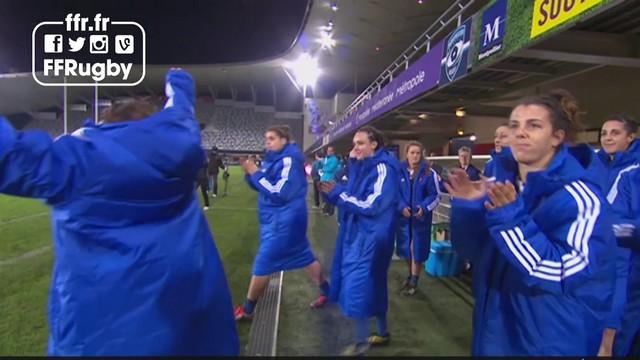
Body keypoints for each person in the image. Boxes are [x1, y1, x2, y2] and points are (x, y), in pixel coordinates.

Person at [0, 69, 239, 355]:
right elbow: (181, 112)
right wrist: (179, 81)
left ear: (105, 125)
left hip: (91, 336)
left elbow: (8, 155)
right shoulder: (179, 150)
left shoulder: (74, 162)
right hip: (178, 330)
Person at [445, 89, 615, 356]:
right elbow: (473, 253)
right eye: (515, 126)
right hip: (496, 327)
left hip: (549, 339)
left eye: (533, 125)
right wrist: (468, 207)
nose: (520, 133)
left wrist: (511, 220)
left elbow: (561, 272)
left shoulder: (581, 198)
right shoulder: (503, 185)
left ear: (557, 137)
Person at [234, 125, 330, 320]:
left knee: (263, 263)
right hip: (279, 219)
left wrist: (256, 173)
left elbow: (280, 192)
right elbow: (263, 187)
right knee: (305, 257)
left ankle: (247, 309)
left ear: (284, 140)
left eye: (272, 138)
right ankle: (329, 292)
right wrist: (250, 174)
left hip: (284, 221)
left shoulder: (289, 160)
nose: (267, 142)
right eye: (266, 138)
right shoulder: (275, 159)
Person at [319, 126, 400, 356]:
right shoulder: (364, 165)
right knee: (373, 284)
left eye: (360, 143)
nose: (355, 148)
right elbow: (353, 191)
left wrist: (337, 195)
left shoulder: (384, 168)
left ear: (374, 144)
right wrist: (337, 187)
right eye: (354, 144)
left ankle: (361, 342)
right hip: (360, 233)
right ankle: (382, 333)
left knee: (360, 285)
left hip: (372, 237)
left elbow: (371, 204)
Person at [594, 114, 640, 356]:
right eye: (604, 133)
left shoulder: (636, 171)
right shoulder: (595, 164)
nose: (608, 137)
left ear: (631, 137)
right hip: (597, 262)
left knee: (614, 338)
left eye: (615, 132)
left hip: (627, 267)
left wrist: (611, 230)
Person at [396, 141, 441, 296]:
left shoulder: (429, 173)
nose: (415, 156)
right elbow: (394, 194)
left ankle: (414, 281)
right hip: (403, 220)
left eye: (418, 153)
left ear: (422, 155)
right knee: (406, 250)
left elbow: (435, 195)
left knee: (416, 250)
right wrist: (401, 207)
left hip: (420, 220)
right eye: (412, 153)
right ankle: (410, 275)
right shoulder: (399, 172)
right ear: (406, 154)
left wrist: (425, 207)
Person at [321, 146, 339, 216]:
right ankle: (325, 210)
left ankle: (330, 212)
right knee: (325, 197)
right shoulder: (326, 159)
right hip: (323, 179)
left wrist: (324, 169)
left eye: (330, 151)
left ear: (333, 152)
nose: (329, 152)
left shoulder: (334, 159)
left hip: (329, 180)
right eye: (328, 151)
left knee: (330, 196)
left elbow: (330, 169)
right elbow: (323, 166)